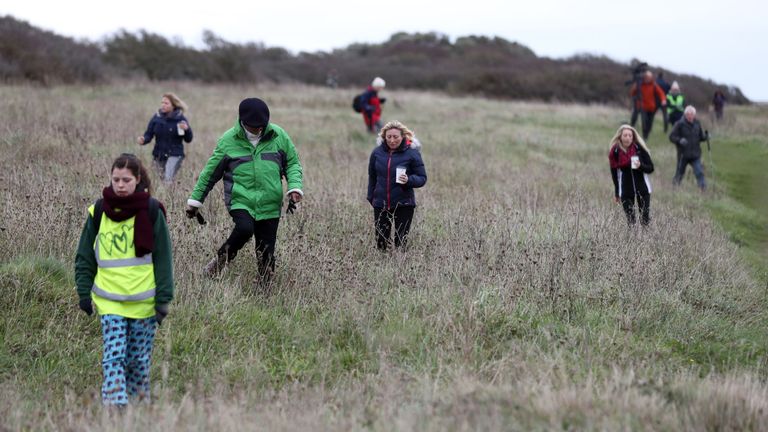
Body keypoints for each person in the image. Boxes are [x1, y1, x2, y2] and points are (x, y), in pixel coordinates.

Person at [74, 153, 173, 406]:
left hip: (144, 302)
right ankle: (116, 407)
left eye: (126, 180)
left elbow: (163, 258)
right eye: (116, 179)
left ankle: (138, 408)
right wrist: (83, 292)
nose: (120, 185)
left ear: (137, 180)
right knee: (114, 356)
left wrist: (164, 299)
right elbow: (85, 254)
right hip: (110, 301)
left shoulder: (152, 211)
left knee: (139, 360)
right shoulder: (98, 211)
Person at [186, 98, 303, 284]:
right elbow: (210, 173)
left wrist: (295, 186)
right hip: (240, 199)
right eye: (253, 127)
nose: (258, 130)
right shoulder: (228, 140)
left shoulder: (278, 135)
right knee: (245, 229)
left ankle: (265, 290)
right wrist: (195, 202)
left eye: (261, 126)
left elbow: (293, 163)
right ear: (242, 122)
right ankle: (219, 262)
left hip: (270, 202)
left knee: (266, 251)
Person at [367, 120, 427, 250]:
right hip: (381, 203)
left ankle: (399, 267)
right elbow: (372, 177)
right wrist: (371, 197)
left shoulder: (412, 153)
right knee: (381, 243)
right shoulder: (377, 153)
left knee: (400, 242)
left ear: (403, 136)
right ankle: (382, 267)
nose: (392, 140)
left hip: (404, 203)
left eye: (396, 137)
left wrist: (409, 180)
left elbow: (422, 178)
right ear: (384, 137)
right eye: (389, 137)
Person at [138, 93, 193, 183]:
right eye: (162, 102)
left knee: (168, 179)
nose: (163, 105)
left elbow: (189, 139)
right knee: (157, 180)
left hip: (175, 154)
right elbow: (149, 134)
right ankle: (164, 196)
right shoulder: (157, 117)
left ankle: (170, 195)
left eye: (166, 103)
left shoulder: (180, 119)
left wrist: (187, 129)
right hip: (158, 154)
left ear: (173, 105)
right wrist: (143, 139)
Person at [608, 125, 654, 225]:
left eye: (630, 135)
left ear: (633, 137)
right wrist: (617, 193)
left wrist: (640, 166)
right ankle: (632, 240)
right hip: (625, 191)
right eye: (625, 135)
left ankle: (645, 239)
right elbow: (614, 175)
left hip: (643, 189)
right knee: (631, 221)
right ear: (620, 137)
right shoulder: (615, 152)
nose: (628, 138)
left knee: (645, 220)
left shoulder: (639, 149)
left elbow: (651, 168)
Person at [669, 105, 709, 191]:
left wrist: (706, 137)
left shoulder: (697, 123)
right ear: (685, 114)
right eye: (688, 114)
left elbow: (701, 137)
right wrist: (679, 140)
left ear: (694, 115)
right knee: (679, 173)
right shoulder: (679, 124)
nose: (690, 116)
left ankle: (703, 189)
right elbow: (671, 136)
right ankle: (674, 188)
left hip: (695, 154)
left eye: (692, 114)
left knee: (699, 172)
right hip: (683, 155)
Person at [629, 71, 667, 140]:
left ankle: (646, 135)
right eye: (647, 77)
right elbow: (632, 93)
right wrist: (635, 86)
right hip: (643, 107)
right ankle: (644, 137)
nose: (648, 79)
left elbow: (661, 93)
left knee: (649, 124)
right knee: (644, 122)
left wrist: (663, 100)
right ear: (644, 77)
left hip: (651, 108)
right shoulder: (640, 84)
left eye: (649, 77)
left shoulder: (654, 85)